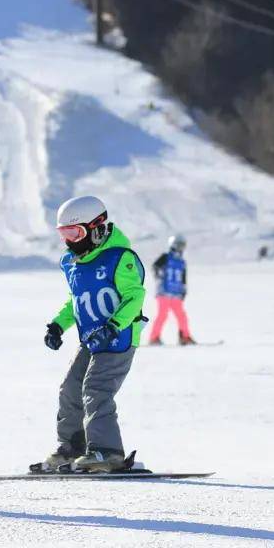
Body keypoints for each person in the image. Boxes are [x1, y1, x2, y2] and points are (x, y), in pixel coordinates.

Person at [42, 196, 146, 472]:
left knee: (96, 389)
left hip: (118, 339)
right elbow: (76, 300)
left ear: (97, 227)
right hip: (90, 340)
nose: (69, 241)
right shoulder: (73, 262)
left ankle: (107, 451)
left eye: (74, 232)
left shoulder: (119, 258)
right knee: (70, 389)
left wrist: (113, 326)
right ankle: (71, 447)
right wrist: (57, 325)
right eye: (64, 233)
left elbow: (135, 297)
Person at [148, 234, 195, 345]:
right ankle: (154, 338)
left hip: (176, 294)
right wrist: (158, 276)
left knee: (182, 316)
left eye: (182, 245)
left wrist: (183, 290)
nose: (181, 248)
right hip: (164, 292)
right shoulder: (165, 257)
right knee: (162, 315)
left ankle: (185, 337)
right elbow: (155, 266)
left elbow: (183, 278)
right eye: (179, 245)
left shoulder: (182, 262)